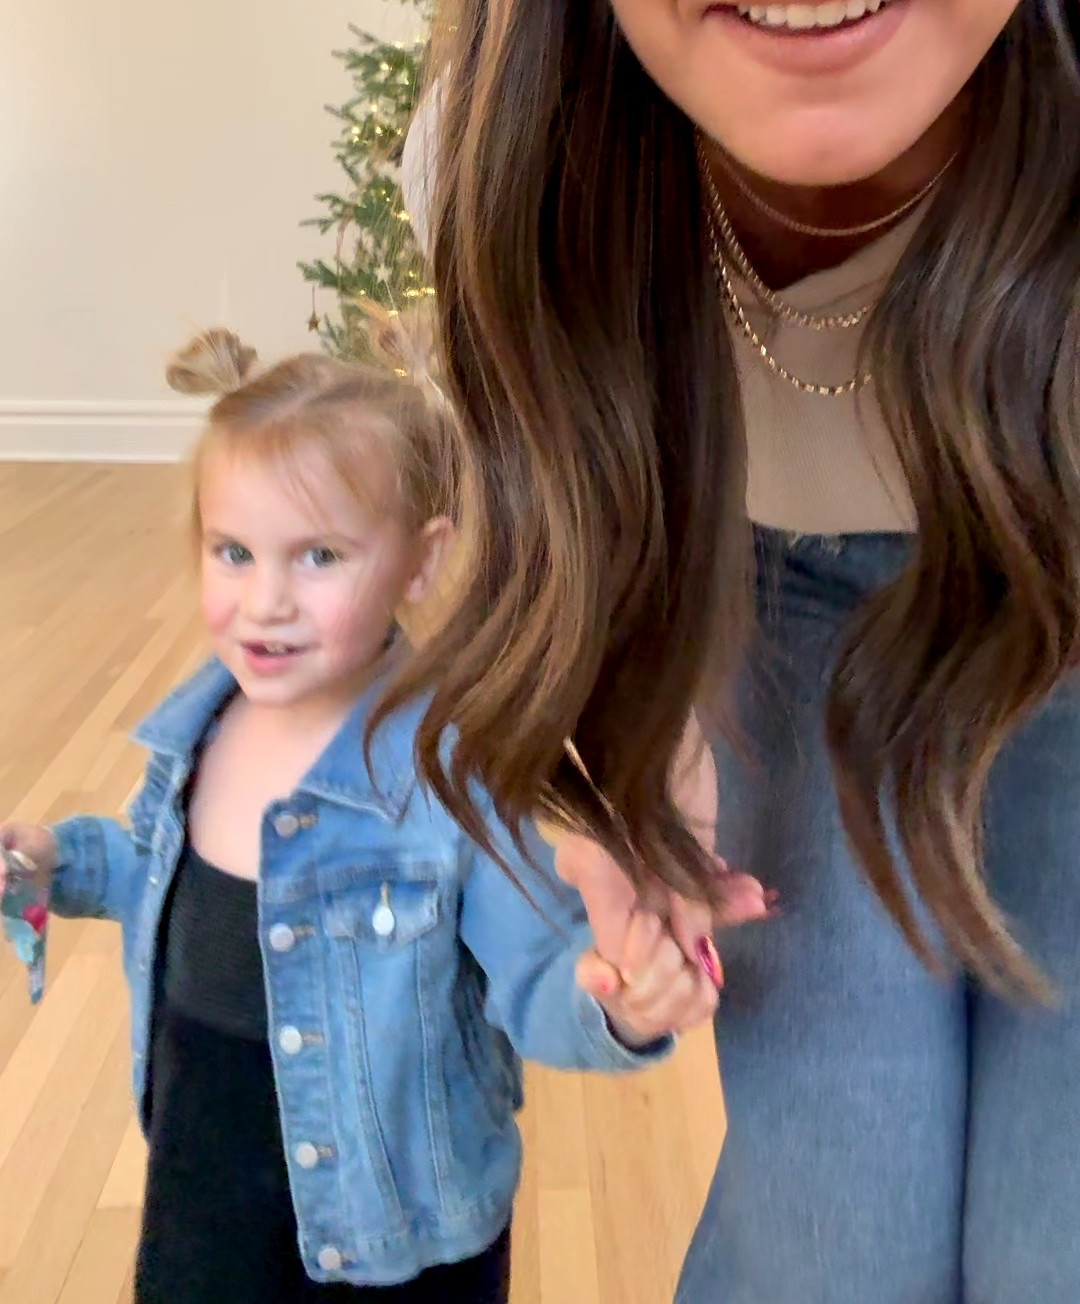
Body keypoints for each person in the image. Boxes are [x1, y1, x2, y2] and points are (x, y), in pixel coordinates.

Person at [393, 0, 1080, 1298]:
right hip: (766, 616)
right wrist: (610, 756)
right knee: (832, 1233)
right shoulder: (506, 165)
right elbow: (543, 520)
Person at [0, 325, 745, 1304]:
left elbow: (537, 976)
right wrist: (57, 860)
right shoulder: (199, 729)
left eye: (318, 556)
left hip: (399, 1242)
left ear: (420, 562)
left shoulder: (449, 776)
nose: (266, 601)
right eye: (234, 553)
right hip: (204, 1201)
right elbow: (155, 867)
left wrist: (619, 1004)